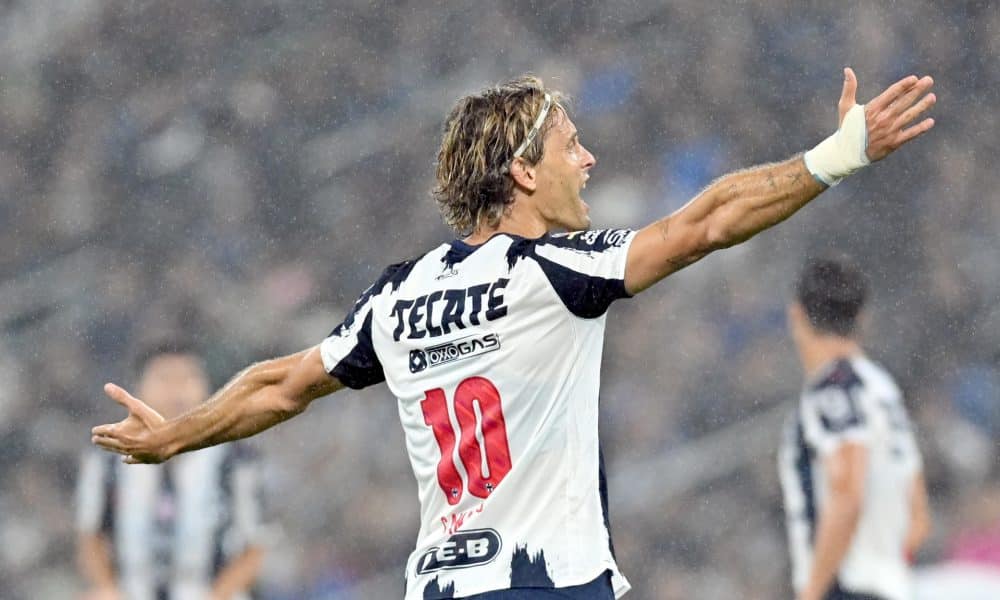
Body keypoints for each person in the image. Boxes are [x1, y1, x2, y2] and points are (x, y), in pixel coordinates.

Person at [91, 69, 936, 599]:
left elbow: (280, 385)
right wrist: (837, 155)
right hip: (548, 582)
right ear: (523, 172)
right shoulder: (553, 272)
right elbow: (705, 225)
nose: (589, 160)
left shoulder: (398, 296)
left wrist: (176, 436)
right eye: (572, 146)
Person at [778, 258, 931, 600]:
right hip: (895, 587)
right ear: (862, 317)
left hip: (848, 587)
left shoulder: (833, 389)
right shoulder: (882, 389)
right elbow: (918, 521)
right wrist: (885, 567)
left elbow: (847, 492)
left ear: (796, 315)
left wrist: (812, 592)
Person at [78, 340, 265, 600]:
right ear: (138, 389)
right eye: (164, 379)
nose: (177, 391)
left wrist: (218, 595)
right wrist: (108, 589)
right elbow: (91, 536)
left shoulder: (235, 459)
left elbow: (254, 545)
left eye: (188, 378)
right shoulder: (107, 456)